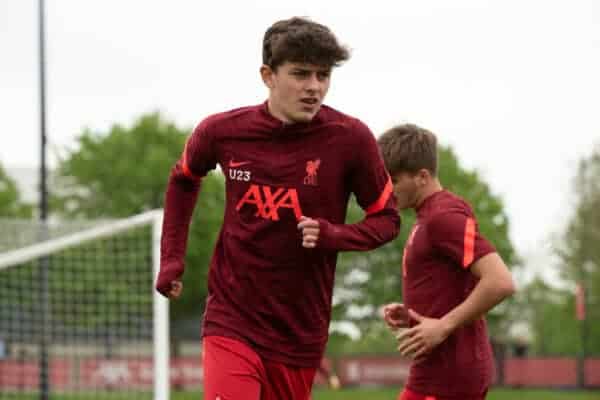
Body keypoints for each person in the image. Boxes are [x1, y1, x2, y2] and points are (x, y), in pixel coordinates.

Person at [155, 17, 400, 400]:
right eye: (301, 74)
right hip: (231, 318)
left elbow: (388, 220)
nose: (314, 87)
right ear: (268, 75)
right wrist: (172, 257)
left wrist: (334, 235)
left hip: (299, 332)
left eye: (323, 75)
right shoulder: (221, 131)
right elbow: (184, 177)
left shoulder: (351, 140)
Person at [377, 124, 515, 400]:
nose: (388, 190)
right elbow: (453, 286)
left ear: (422, 177)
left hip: (448, 374)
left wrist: (442, 326)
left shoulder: (442, 217)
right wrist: (414, 313)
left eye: (393, 180)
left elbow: (500, 282)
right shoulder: (429, 216)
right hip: (438, 370)